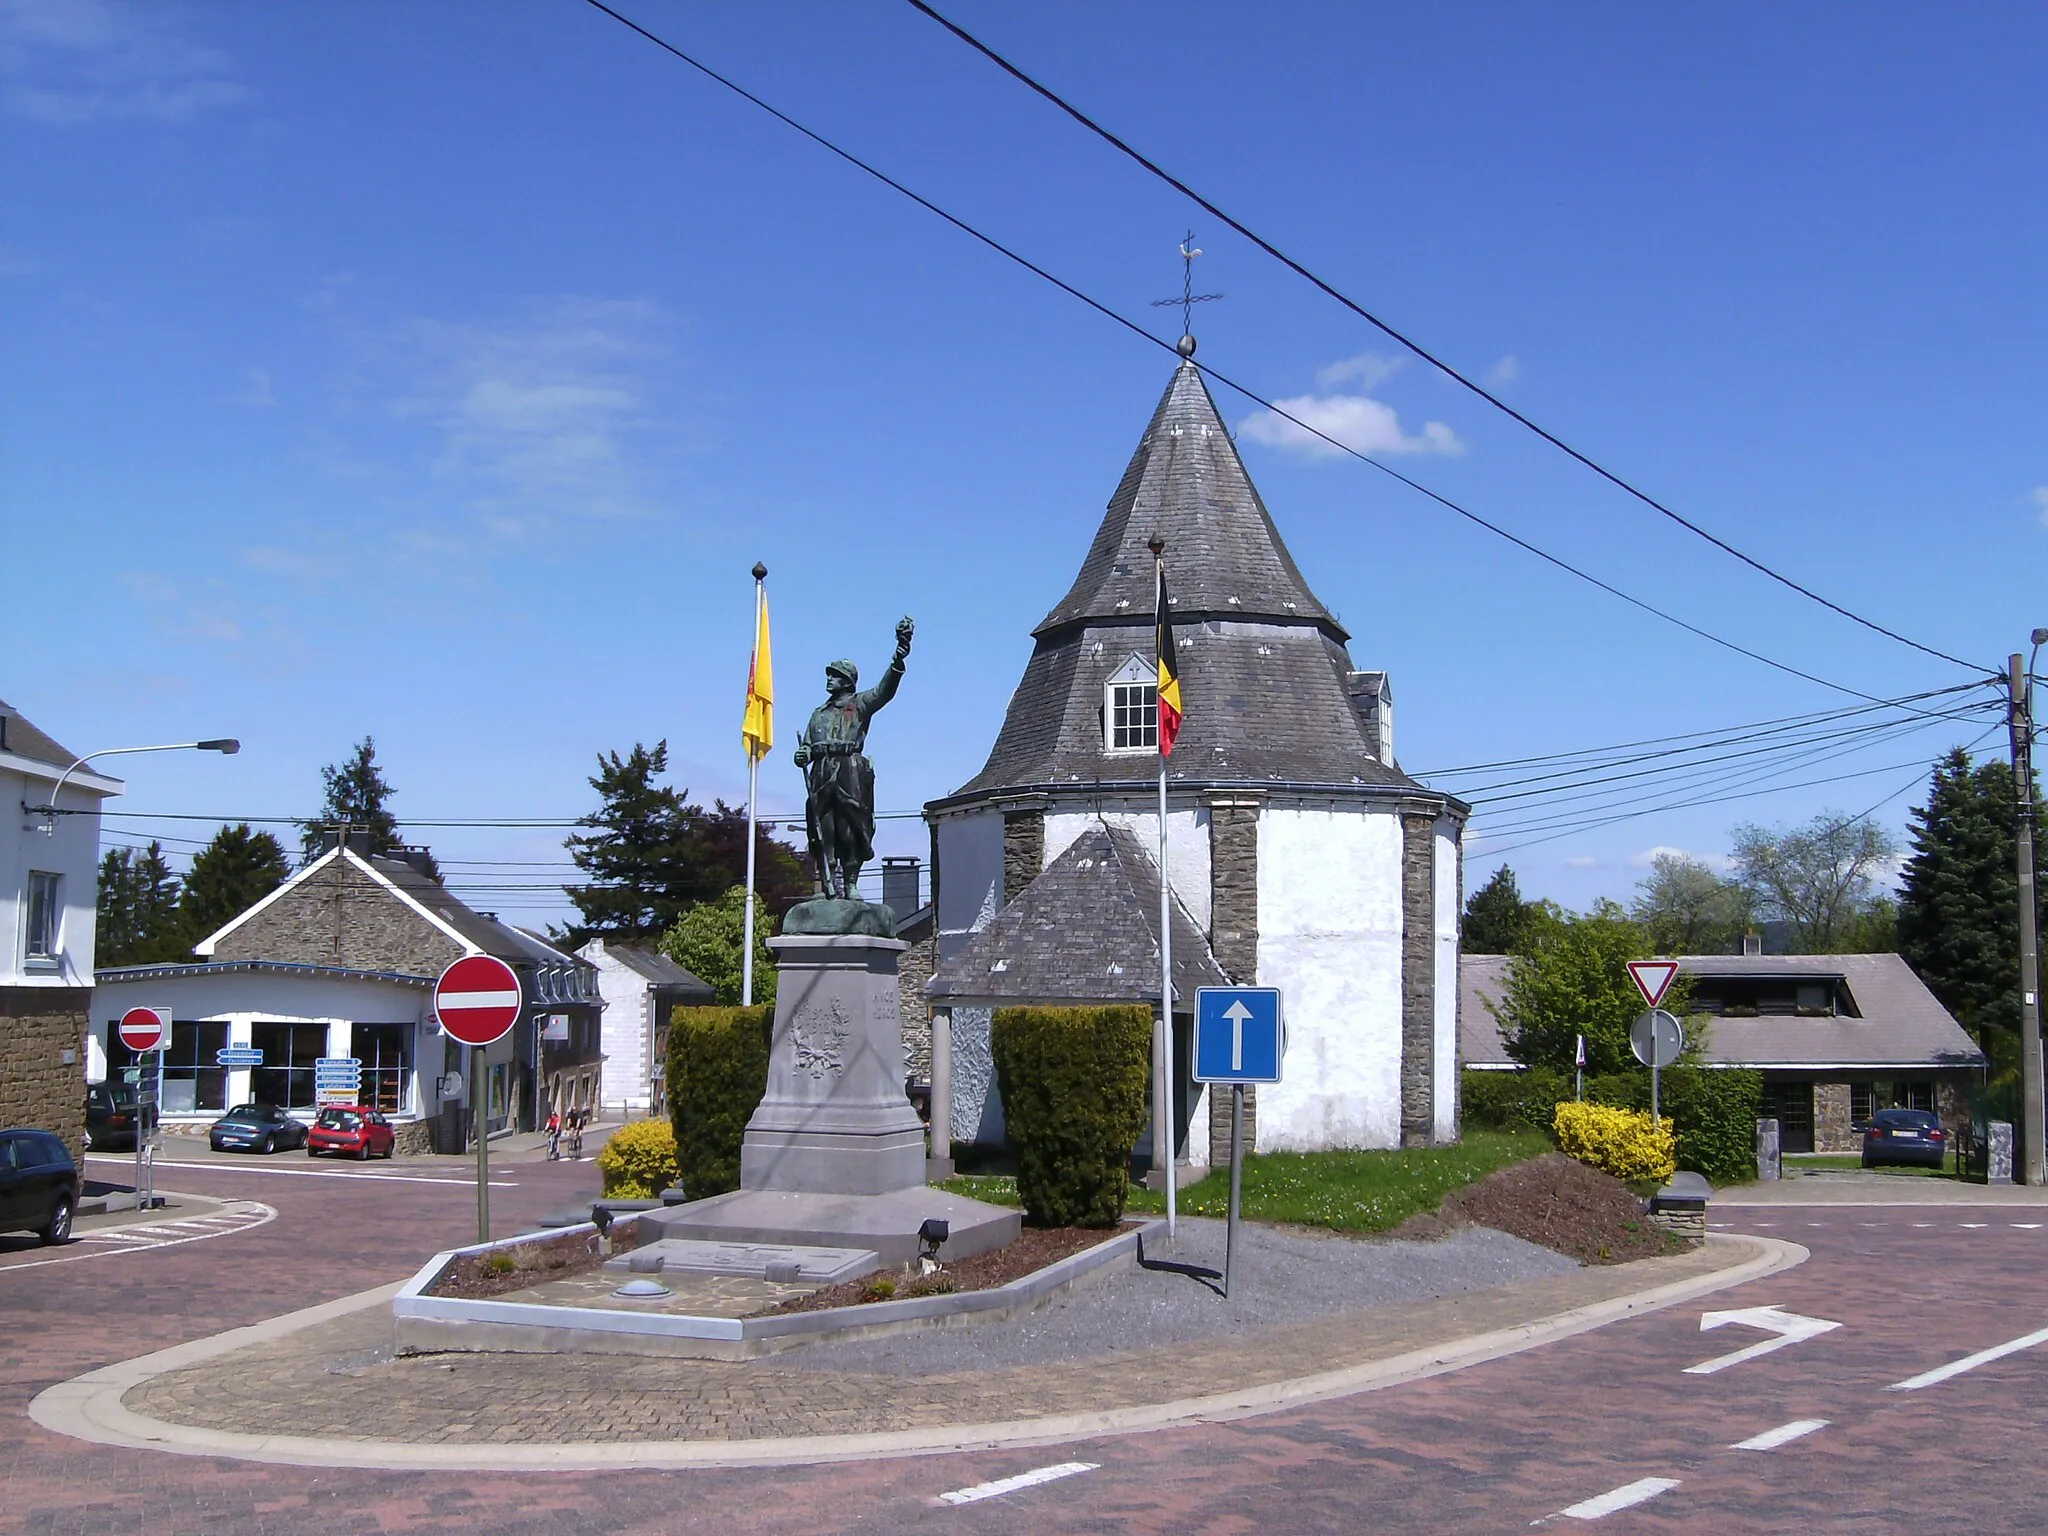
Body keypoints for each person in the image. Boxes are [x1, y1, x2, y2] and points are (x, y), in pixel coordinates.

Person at [794, 617, 913, 900]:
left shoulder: (859, 704)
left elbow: (885, 691)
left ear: (847, 681)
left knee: (851, 829)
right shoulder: (818, 714)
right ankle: (826, 884)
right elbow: (809, 746)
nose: (828, 680)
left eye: (834, 675)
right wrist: (803, 754)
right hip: (822, 772)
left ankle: (851, 883)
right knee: (825, 830)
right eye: (829, 675)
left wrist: (899, 656)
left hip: (850, 770)